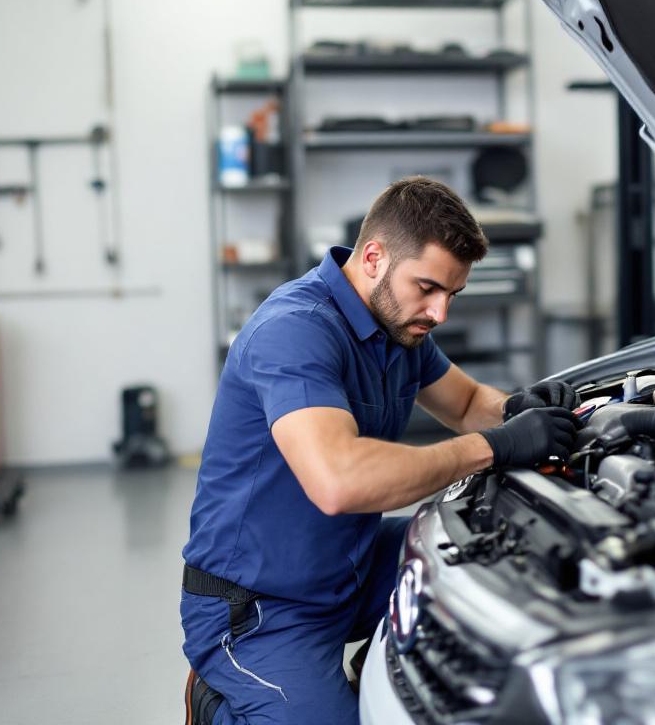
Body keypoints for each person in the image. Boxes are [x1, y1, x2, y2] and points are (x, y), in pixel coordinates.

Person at [180, 177, 579, 724]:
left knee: (488, 555)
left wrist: (516, 409)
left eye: (452, 295)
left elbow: (466, 403)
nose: (440, 313)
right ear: (373, 258)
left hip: (350, 564)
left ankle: (369, 671)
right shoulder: (294, 331)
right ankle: (219, 705)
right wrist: (494, 446)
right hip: (259, 606)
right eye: (428, 288)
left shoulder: (398, 326)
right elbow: (339, 481)